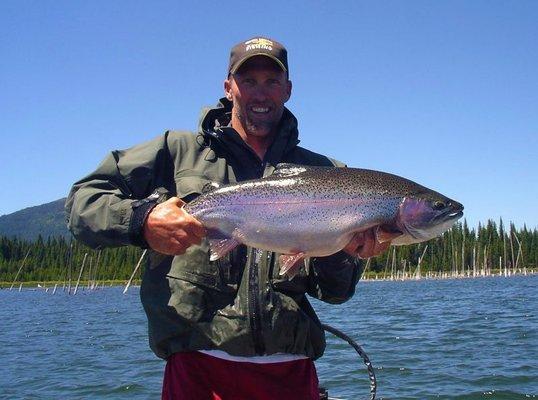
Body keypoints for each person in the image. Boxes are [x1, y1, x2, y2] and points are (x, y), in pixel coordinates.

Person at [66, 37, 391, 400]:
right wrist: (141, 220)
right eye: (248, 81)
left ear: (288, 90)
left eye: (271, 82)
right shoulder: (177, 152)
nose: (260, 94)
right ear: (228, 87)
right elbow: (83, 201)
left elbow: (335, 292)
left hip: (291, 373)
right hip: (198, 371)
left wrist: (344, 251)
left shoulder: (326, 174)